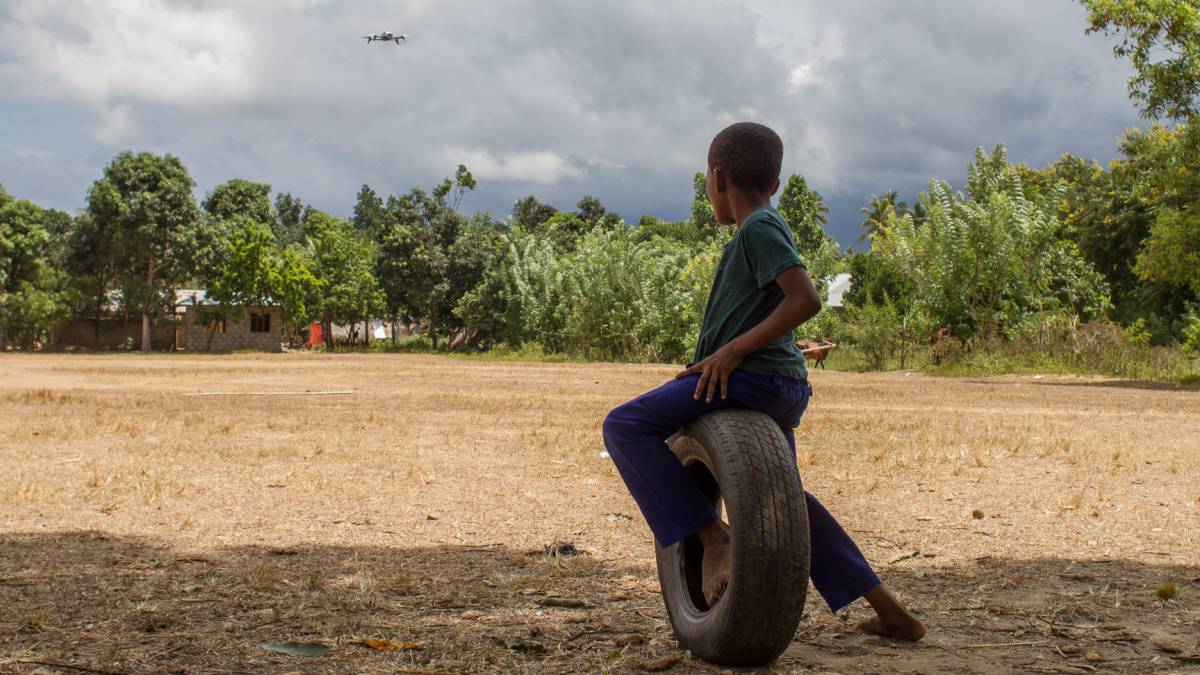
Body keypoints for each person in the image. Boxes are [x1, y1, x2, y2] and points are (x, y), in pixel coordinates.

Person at [602, 122, 925, 641]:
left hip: (749, 379)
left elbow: (805, 299)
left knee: (624, 426)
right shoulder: (763, 226)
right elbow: (775, 306)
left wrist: (729, 351)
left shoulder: (758, 228)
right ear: (774, 183)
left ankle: (712, 538)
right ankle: (889, 610)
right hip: (773, 379)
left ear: (717, 178)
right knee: (788, 500)